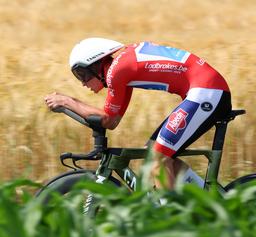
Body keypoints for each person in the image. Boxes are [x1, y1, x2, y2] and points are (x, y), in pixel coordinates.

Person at [45, 37, 232, 189]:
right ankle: (205, 200)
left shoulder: (117, 72)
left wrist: (68, 102)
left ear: (96, 65)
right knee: (155, 153)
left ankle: (171, 220)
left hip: (207, 92)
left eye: (82, 75)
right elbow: (113, 121)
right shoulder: (121, 69)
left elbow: (107, 119)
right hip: (206, 90)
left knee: (158, 158)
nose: (83, 83)